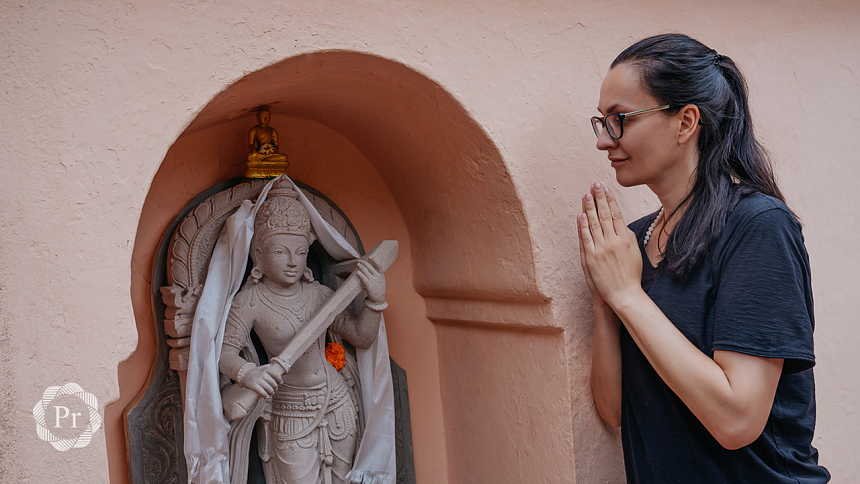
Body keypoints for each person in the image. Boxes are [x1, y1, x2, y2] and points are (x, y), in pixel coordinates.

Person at [579, 33, 830, 483]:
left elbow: (737, 421)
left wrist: (628, 294)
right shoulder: (632, 244)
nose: (604, 141)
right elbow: (615, 410)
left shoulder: (757, 226)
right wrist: (606, 300)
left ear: (685, 121)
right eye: (601, 122)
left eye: (620, 119)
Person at [218, 179, 387, 484]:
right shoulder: (250, 302)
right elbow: (223, 352)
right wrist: (248, 374)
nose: (293, 262)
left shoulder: (320, 295)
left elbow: (361, 337)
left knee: (343, 479)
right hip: (289, 409)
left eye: (300, 252)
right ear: (259, 254)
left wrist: (375, 300)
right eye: (281, 252)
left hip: (337, 402)